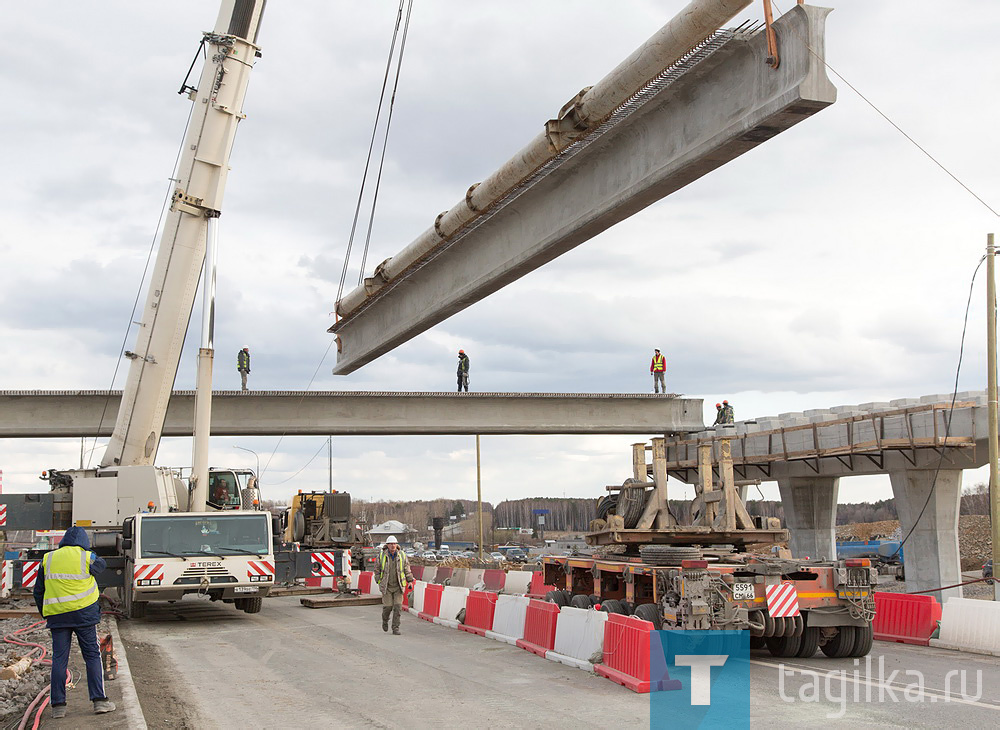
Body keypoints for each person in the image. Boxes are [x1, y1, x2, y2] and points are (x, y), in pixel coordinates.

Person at [33, 526, 116, 718]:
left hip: (58, 617)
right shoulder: (86, 557)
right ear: (84, 543)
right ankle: (99, 702)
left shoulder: (48, 558)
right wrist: (88, 552)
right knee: (92, 656)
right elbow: (101, 565)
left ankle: (58, 707)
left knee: (59, 659)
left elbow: (38, 591)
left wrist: (46, 613)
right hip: (84, 616)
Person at [376, 536, 414, 635]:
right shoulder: (381, 555)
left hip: (399, 585)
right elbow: (377, 569)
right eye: (391, 544)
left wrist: (409, 580)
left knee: (398, 607)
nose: (393, 546)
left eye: (394, 544)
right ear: (387, 545)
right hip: (387, 586)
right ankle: (385, 620)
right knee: (388, 607)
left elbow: (407, 568)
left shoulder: (402, 555)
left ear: (397, 544)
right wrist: (378, 580)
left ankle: (395, 628)